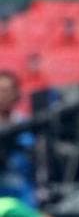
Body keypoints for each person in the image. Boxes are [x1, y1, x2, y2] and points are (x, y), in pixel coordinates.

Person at [0, 70, 37, 207]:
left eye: (7, 90)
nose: (3, 95)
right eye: (1, 90)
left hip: (21, 195)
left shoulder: (26, 124)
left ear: (16, 94)